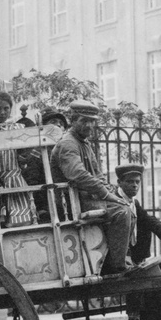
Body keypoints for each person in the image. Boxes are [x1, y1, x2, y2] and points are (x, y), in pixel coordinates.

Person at [50, 100, 136, 276]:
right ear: (73, 121)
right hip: (71, 203)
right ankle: (117, 267)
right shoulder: (68, 144)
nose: (89, 125)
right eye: (84, 120)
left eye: (92, 121)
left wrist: (110, 191)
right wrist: (106, 194)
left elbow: (98, 175)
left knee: (128, 209)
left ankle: (111, 261)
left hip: (87, 199)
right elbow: (78, 175)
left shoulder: (84, 144)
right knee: (121, 212)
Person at [0, 90, 35, 227]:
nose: (2, 112)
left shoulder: (18, 129)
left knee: (18, 220)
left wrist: (23, 157)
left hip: (13, 180)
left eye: (6, 108)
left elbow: (27, 153)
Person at [115, 163, 161, 263]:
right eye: (130, 181)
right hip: (118, 256)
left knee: (146, 222)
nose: (135, 185)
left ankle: (139, 260)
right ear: (119, 182)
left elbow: (150, 221)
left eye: (137, 182)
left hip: (132, 255)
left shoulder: (133, 203)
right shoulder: (114, 201)